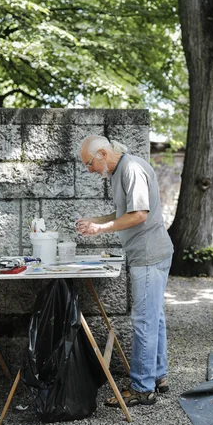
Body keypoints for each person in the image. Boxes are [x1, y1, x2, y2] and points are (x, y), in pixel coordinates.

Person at [76, 135, 174, 407]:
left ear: (103, 154)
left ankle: (142, 388)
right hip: (150, 252)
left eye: (89, 164)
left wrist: (101, 229)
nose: (90, 170)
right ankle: (158, 375)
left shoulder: (130, 169)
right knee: (154, 316)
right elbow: (124, 212)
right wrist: (94, 221)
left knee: (144, 319)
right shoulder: (122, 169)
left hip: (148, 253)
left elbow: (139, 214)